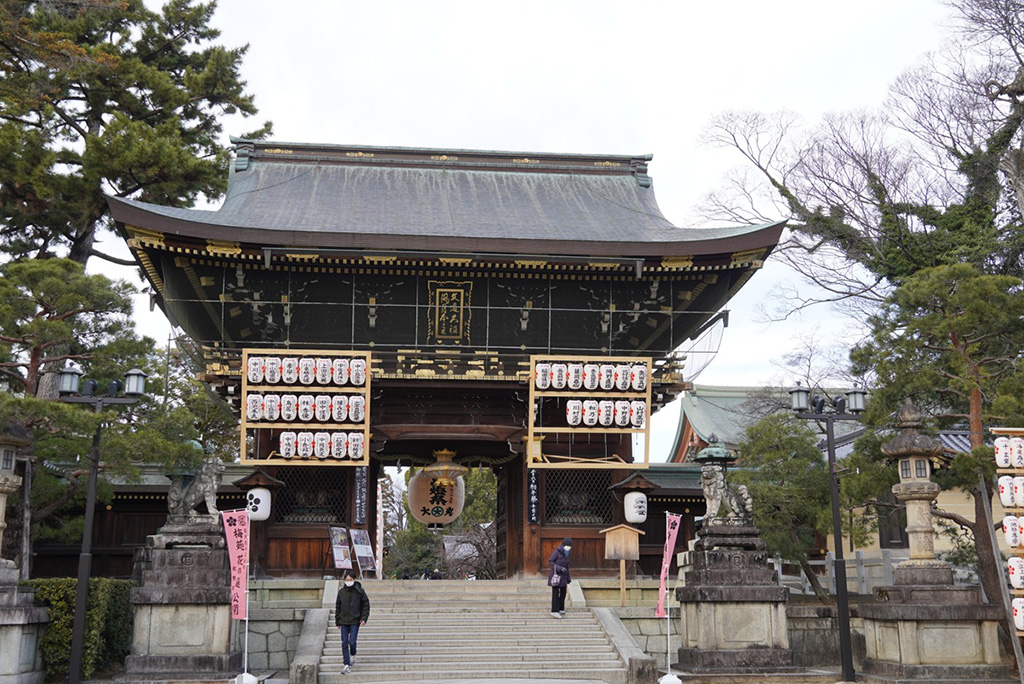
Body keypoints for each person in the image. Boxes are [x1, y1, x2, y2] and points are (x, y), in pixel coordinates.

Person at [334, 569, 370, 674]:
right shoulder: (341, 592)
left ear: (354, 579)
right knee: (344, 643)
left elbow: (365, 604)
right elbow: (338, 606)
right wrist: (337, 621)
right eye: (346, 579)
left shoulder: (359, 591)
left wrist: (364, 618)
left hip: (355, 620)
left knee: (352, 642)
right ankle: (346, 664)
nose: (348, 581)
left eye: (350, 579)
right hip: (343, 621)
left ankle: (353, 654)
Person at [547, 537, 572, 618]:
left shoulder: (567, 554)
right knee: (555, 593)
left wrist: (568, 578)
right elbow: (550, 561)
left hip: (564, 576)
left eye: (570, 545)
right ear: (563, 545)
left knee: (563, 592)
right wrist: (559, 568)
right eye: (567, 545)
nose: (568, 547)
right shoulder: (556, 552)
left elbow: (567, 567)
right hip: (556, 576)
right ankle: (554, 610)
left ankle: (561, 608)